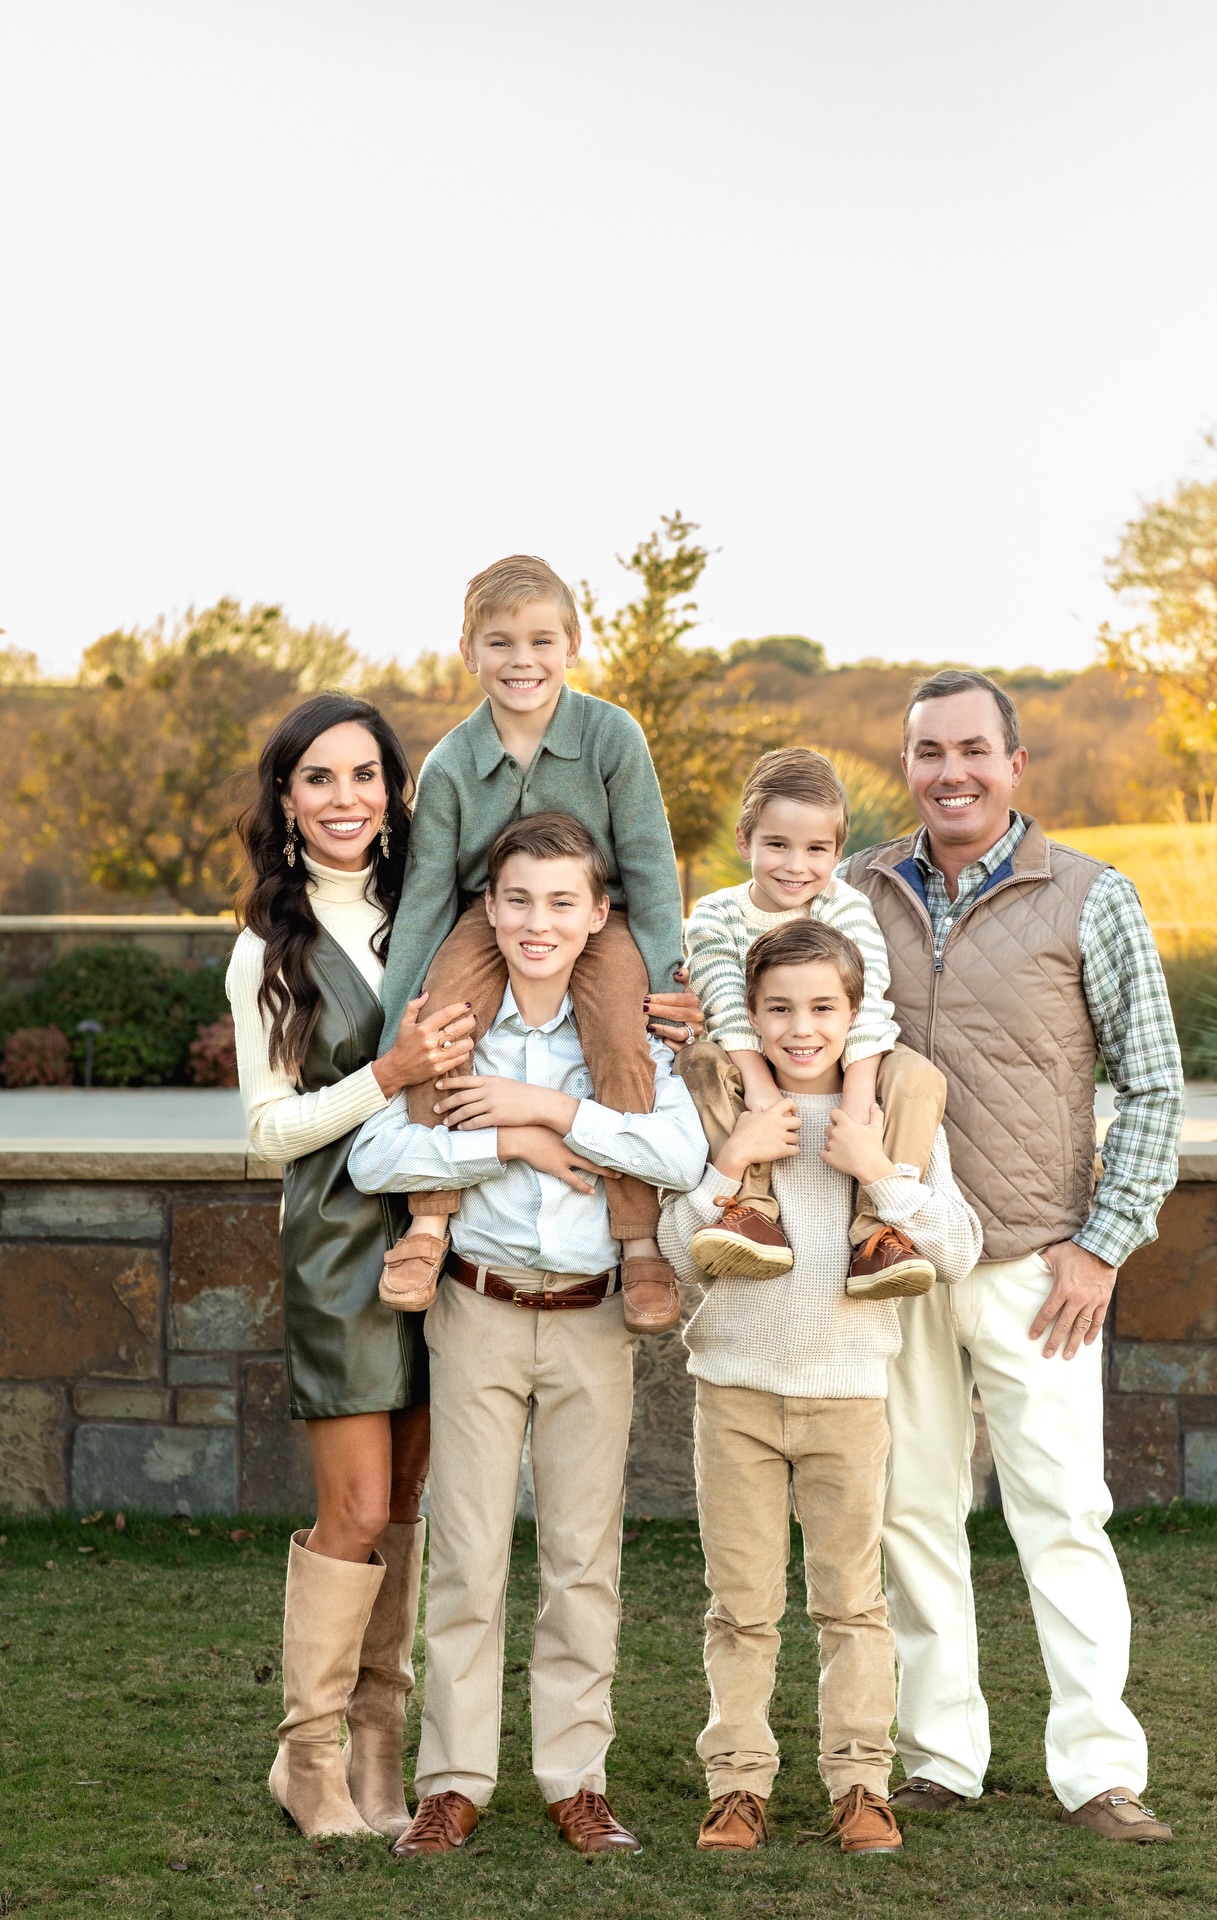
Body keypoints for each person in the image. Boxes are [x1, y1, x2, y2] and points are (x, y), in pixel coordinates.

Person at [843, 668, 1184, 1844]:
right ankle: (942, 1751)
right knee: (913, 1512)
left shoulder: (1092, 896)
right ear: (909, 766)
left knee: (1063, 1516)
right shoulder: (858, 889)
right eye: (930, 753)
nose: (953, 773)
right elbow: (775, 1010)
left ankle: (1099, 1770)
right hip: (892, 1259)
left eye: (974, 751)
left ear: (1016, 762)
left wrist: (1103, 1246)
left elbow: (1153, 1083)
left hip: (1038, 1266)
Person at [349, 812, 708, 1860]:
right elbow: (378, 1154)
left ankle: (575, 1779)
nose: (538, 921)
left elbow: (677, 1154)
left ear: (599, 913)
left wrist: (544, 1104)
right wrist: (509, 1135)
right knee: (465, 1553)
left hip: (595, 1312)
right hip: (479, 1308)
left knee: (582, 1557)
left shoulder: (630, 1032)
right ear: (489, 910)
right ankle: (452, 1783)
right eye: (517, 900)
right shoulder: (456, 1024)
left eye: (562, 902)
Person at [660, 921, 983, 1856]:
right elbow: (680, 1262)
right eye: (780, 1010)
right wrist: (729, 1166)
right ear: (751, 1018)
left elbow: (956, 1249)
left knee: (851, 1601)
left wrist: (879, 1176)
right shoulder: (724, 1114)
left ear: (855, 1017)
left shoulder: (890, 1119)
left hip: (849, 1398)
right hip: (737, 1395)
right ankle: (738, 1787)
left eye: (822, 1009)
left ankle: (859, 1784)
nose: (802, 1029)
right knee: (742, 1605)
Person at [229, 692, 476, 1840]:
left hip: (450, 1234)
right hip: (337, 1246)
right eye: (318, 779)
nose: (345, 799)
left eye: (365, 776)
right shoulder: (267, 948)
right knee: (359, 1505)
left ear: (393, 792)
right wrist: (388, 1074)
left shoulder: (430, 912)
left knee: (412, 1502)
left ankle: (383, 1741)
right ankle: (308, 1758)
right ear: (286, 800)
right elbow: (266, 1133)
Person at [374, 553, 694, 1337]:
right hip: (491, 917)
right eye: (501, 642)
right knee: (441, 1021)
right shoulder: (452, 762)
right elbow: (425, 898)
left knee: (619, 1033)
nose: (522, 660)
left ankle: (639, 1236)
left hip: (599, 915)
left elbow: (650, 867)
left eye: (541, 641)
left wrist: (665, 983)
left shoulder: (611, 736)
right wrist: (400, 1023)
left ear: (573, 645)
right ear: (468, 651)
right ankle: (430, 1218)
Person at [679, 748, 948, 1298]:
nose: (796, 866)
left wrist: (857, 1097)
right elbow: (728, 1003)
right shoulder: (714, 913)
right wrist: (757, 1088)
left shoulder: (843, 906)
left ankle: (880, 1233)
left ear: (838, 852)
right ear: (744, 840)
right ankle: (749, 1211)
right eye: (776, 844)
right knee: (700, 1062)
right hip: (750, 1058)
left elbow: (869, 1003)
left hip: (840, 1061)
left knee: (917, 1076)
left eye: (816, 849)